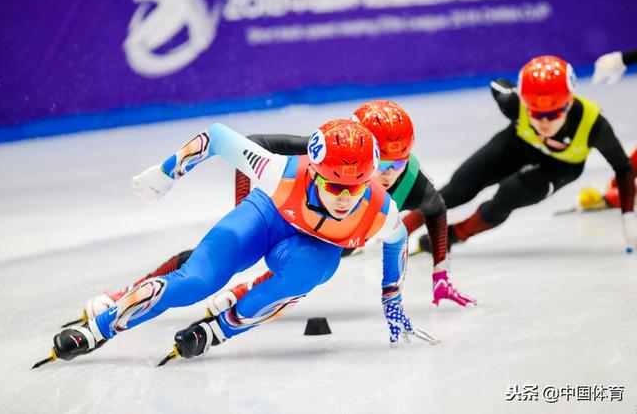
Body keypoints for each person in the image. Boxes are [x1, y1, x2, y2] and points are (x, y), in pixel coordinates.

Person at [37, 119, 437, 367]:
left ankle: (218, 332)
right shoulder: (279, 169)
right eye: (334, 185)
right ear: (314, 171)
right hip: (265, 218)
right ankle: (99, 329)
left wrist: (392, 302)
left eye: (356, 186)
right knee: (196, 281)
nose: (345, 197)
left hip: (305, 250)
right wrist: (166, 173)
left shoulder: (379, 211)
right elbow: (218, 138)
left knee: (314, 269)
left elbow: (397, 244)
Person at [66, 101, 474, 329]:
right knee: (209, 259)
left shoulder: (412, 182)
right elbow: (252, 144)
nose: (383, 174)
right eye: (378, 162)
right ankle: (127, 295)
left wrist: (440, 274)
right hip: (281, 213)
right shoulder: (329, 156)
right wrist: (245, 207)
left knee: (307, 265)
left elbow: (436, 212)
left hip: (328, 240)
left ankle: (242, 295)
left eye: (396, 164)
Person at [416, 55, 636, 254]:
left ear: (569, 104)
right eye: (536, 113)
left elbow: (623, 167)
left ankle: (456, 235)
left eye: (553, 113)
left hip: (561, 166)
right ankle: (405, 228)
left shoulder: (594, 125)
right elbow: (498, 84)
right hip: (519, 143)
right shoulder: (514, 103)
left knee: (509, 195)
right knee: (459, 187)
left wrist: (628, 214)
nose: (544, 122)